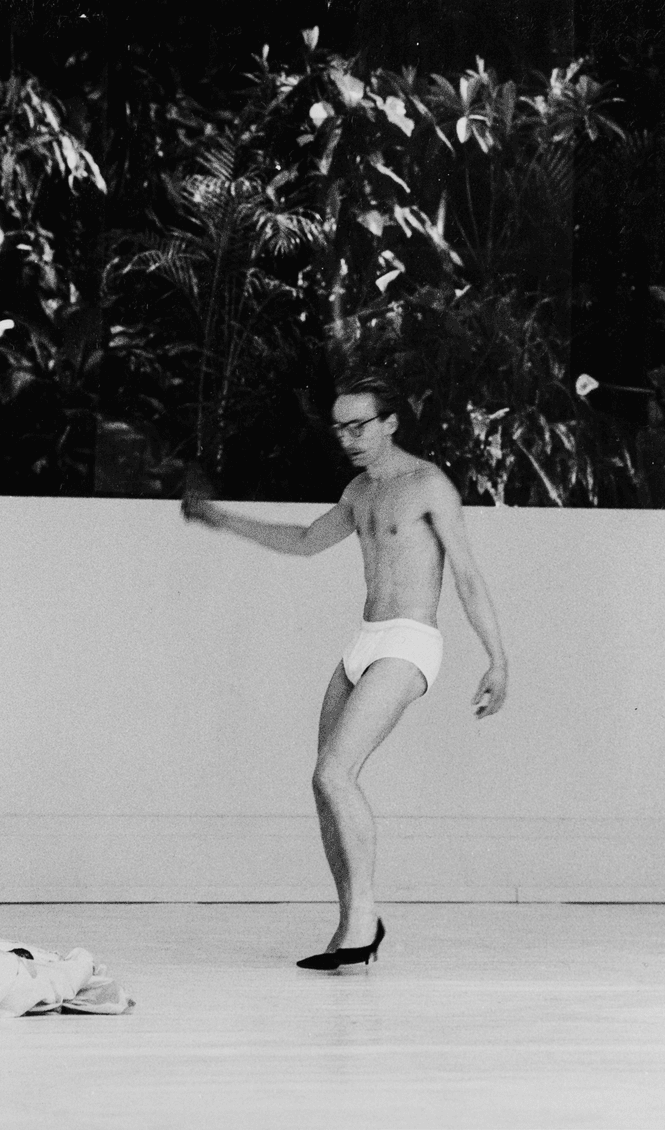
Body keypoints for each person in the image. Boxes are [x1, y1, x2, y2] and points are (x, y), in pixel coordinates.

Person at [182, 375, 509, 970]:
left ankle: (365, 924)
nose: (349, 439)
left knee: (337, 771)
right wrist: (222, 519)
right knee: (322, 781)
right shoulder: (359, 491)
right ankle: (350, 923)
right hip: (366, 641)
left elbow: (466, 574)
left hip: (410, 641)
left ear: (390, 423)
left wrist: (497, 658)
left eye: (360, 426)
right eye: (340, 428)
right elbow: (308, 541)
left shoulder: (427, 484)